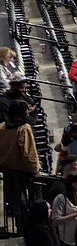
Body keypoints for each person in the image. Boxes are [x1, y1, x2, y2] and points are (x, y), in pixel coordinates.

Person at [0, 97, 41, 233]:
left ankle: (19, 225)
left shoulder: (2, 126)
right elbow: (29, 153)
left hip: (6, 169)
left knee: (14, 201)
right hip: (21, 172)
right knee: (25, 202)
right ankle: (25, 228)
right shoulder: (23, 129)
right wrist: (35, 170)